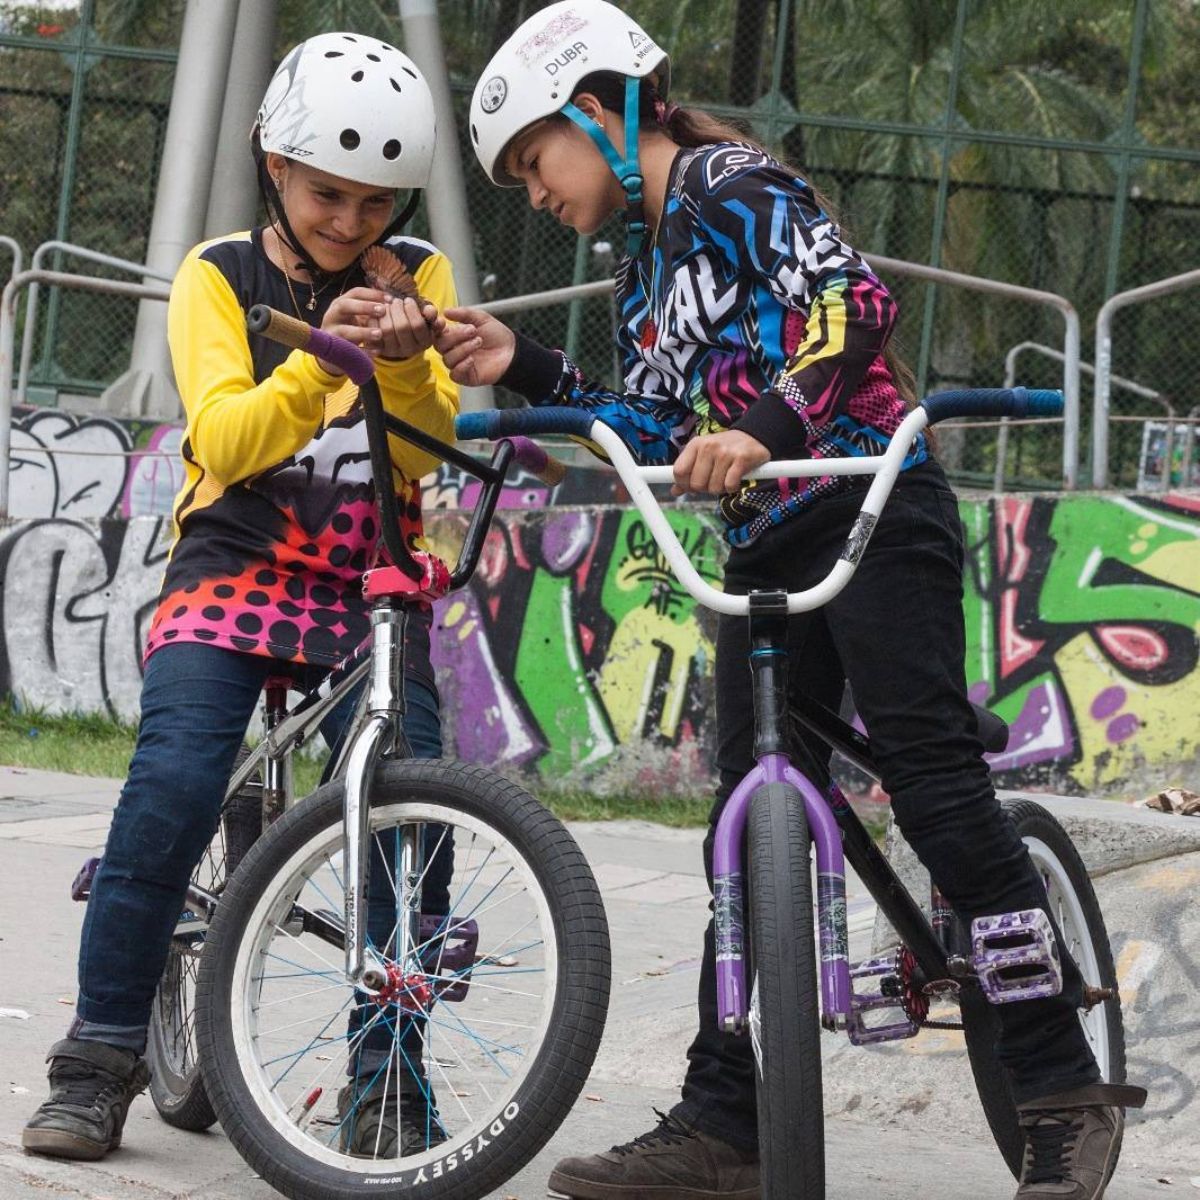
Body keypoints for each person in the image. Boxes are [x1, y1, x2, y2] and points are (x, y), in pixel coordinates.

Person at [435, 4, 1147, 1199]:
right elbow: (659, 427)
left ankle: (1061, 1086)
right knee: (745, 820)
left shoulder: (728, 181)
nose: (534, 194)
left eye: (534, 163)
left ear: (599, 113)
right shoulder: (644, 262)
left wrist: (764, 432)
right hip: (765, 543)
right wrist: (534, 373)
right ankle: (726, 1115)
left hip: (871, 502)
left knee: (930, 784)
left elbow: (850, 308)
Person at [22, 31, 457, 1163]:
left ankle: (389, 1072)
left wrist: (404, 357)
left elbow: (424, 456)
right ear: (274, 162)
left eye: (375, 203)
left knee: (415, 813)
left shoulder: (419, 274)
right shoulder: (218, 273)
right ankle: (96, 1057)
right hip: (233, 564)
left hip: (372, 580)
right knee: (169, 786)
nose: (350, 223)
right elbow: (224, 436)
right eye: (327, 195)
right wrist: (324, 361)